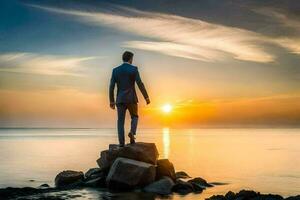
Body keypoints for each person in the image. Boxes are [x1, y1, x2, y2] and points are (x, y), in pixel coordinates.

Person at [109, 51, 150, 147]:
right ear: (130, 59)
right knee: (135, 116)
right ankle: (132, 132)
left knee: (120, 121)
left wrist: (111, 101)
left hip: (120, 99)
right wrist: (146, 97)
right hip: (131, 98)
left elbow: (111, 86)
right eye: (132, 58)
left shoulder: (115, 70)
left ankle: (121, 143)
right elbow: (140, 84)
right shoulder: (134, 69)